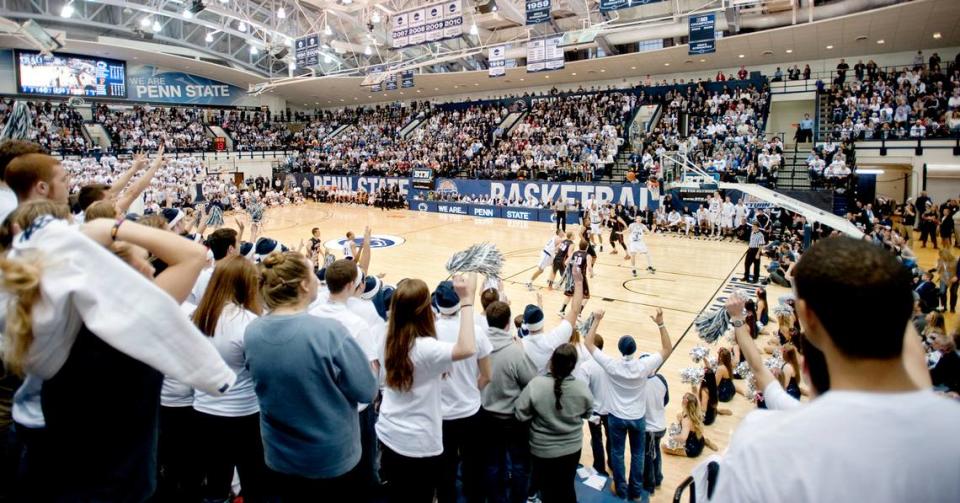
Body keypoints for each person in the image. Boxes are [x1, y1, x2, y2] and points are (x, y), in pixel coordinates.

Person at [4, 210, 235, 501]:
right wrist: (110, 227)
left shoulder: (48, 322)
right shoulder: (131, 325)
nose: (151, 269)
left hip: (51, 472)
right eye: (141, 259)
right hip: (114, 486)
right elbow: (193, 254)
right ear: (113, 273)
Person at [712, 237, 960, 502]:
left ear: (807, 315)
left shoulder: (762, 444)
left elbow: (759, 369)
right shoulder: (950, 430)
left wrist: (737, 319)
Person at [244, 251, 378, 500]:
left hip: (279, 452)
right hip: (328, 456)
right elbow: (367, 390)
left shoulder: (251, 331)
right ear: (305, 284)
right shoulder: (329, 331)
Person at [377, 274, 479, 503]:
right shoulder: (426, 349)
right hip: (418, 442)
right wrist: (467, 301)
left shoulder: (385, 335)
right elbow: (467, 347)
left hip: (389, 431)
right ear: (424, 310)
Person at [191, 256, 267, 502]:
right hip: (244, 414)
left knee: (215, 484)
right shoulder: (249, 323)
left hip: (203, 411)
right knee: (254, 482)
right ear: (246, 284)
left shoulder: (197, 317)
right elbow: (260, 373)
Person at [583, 308, 673, 502]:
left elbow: (588, 343)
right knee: (638, 455)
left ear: (620, 350)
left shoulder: (611, 365)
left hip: (616, 417)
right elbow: (667, 348)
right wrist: (661, 324)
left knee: (617, 454)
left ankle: (622, 490)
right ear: (634, 350)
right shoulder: (644, 366)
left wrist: (596, 320)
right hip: (638, 417)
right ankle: (636, 493)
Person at [434, 281, 492, 503]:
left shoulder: (429, 332)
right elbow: (487, 375)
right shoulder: (476, 331)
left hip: (441, 415)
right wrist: (468, 389)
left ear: (437, 304)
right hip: (470, 412)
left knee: (445, 471)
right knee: (474, 470)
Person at [515, 343, 592, 503]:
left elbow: (520, 413)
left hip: (541, 449)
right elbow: (587, 413)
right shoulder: (582, 388)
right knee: (567, 487)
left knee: (547, 489)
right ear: (573, 366)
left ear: (551, 361)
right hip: (572, 449)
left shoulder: (536, 385)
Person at [574, 332, 612, 477]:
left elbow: (583, 390)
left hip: (594, 410)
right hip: (610, 408)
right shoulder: (610, 361)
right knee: (611, 439)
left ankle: (599, 467)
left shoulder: (586, 367)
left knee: (597, 439)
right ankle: (612, 464)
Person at [661, 393, 718, 458]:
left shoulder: (686, 420)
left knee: (663, 447)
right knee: (679, 417)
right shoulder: (696, 412)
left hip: (692, 449)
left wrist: (673, 437)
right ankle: (706, 441)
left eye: (683, 398)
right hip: (700, 441)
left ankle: (703, 443)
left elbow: (683, 438)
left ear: (686, 403)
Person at [642, 368, 668, 496]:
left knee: (648, 456)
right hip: (661, 425)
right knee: (656, 451)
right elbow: (666, 400)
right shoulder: (661, 379)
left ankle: (649, 485)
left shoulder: (641, 383)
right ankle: (658, 478)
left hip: (650, 428)